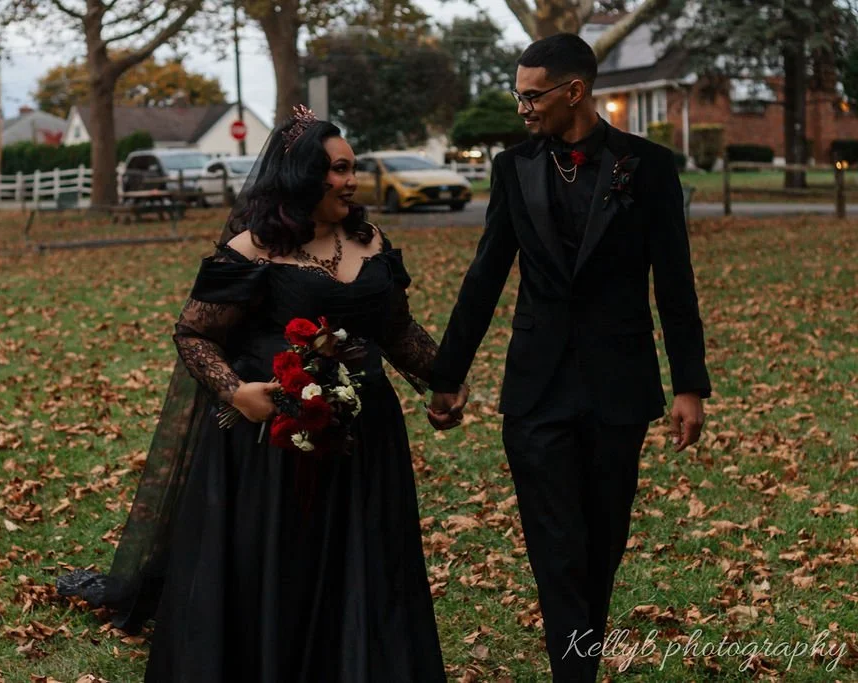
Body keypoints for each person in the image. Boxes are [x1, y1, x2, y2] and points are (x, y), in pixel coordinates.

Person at [56, 106, 446, 682]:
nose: (350, 180)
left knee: (362, 564)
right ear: (301, 177)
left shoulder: (369, 240)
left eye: (351, 168)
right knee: (282, 567)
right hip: (274, 440)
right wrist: (237, 392)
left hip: (366, 440)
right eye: (337, 169)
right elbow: (193, 333)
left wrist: (446, 379)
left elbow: (395, 331)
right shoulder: (252, 249)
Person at [427, 34, 711, 682]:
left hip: (619, 388)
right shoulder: (513, 168)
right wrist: (448, 375)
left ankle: (578, 659)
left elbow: (675, 281)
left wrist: (688, 384)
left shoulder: (649, 167)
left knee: (600, 545)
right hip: (536, 390)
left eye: (533, 96)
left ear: (575, 91)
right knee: (555, 548)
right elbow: (484, 277)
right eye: (520, 95)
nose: (523, 108)